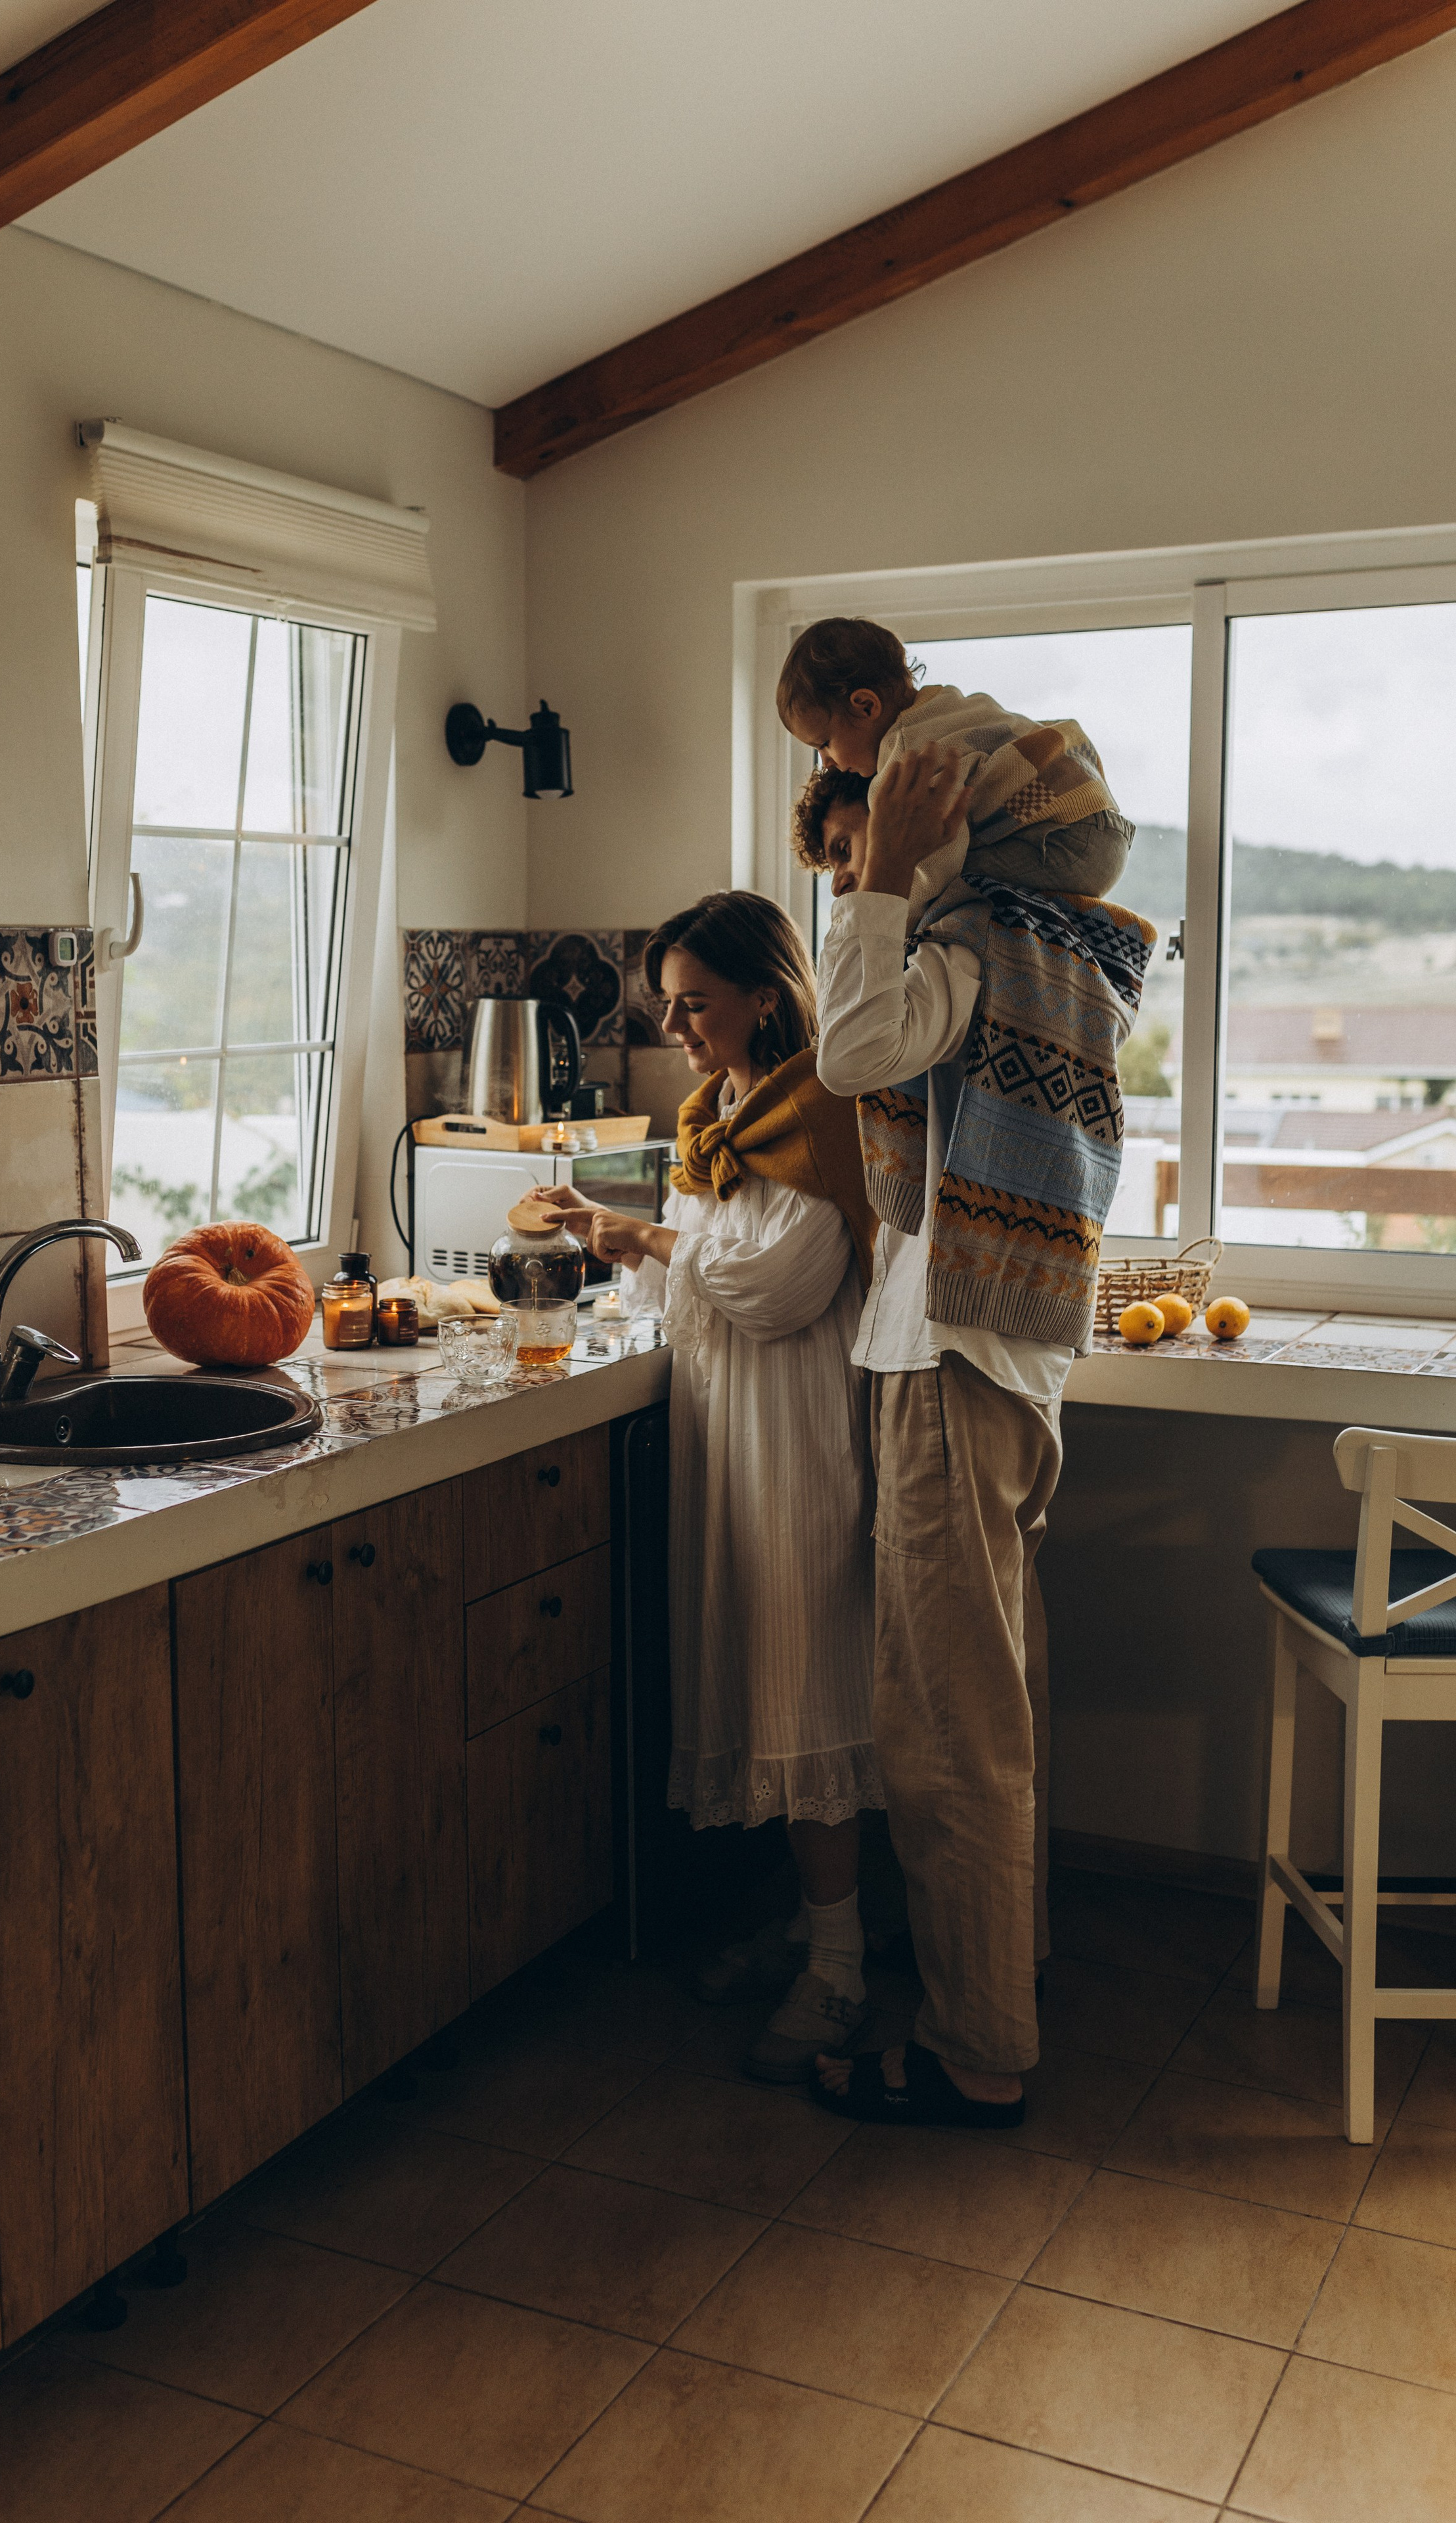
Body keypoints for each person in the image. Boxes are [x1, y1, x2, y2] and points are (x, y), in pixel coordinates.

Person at [805, 725, 1156, 2132]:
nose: (852, 865)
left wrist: (881, 875)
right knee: (988, 1703)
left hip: (946, 1355)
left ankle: (974, 2049)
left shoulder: (969, 955)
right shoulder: (1060, 953)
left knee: (946, 1726)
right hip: (995, 1355)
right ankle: (999, 1977)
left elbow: (845, 1053)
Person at [540, 891, 881, 2085]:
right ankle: (813, 1928)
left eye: (695, 1004)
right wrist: (615, 1239)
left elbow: (778, 1284)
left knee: (805, 1681)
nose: (675, 1026)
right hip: (727, 1422)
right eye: (667, 1004)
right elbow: (704, 1276)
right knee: (760, 1672)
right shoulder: (721, 1112)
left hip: (795, 1429)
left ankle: (842, 1973)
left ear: (767, 998)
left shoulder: (820, 1110)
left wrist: (642, 1241)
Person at [778, 614, 1134, 901]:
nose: (825, 762)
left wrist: (897, 927)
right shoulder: (949, 706)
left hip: (1065, 840)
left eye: (824, 743)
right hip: (1100, 821)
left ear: (866, 705)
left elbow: (934, 863)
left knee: (949, 889)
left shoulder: (903, 761)